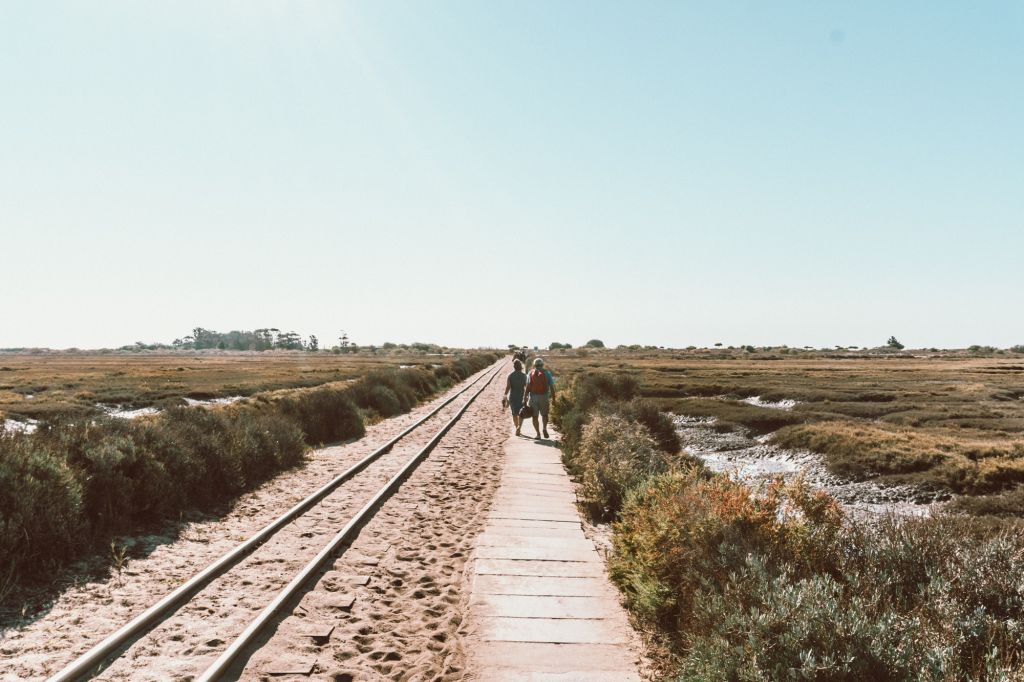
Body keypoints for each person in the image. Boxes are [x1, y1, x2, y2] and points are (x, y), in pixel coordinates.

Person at [525, 357, 556, 439]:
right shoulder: (547, 373)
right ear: (542, 364)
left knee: (535, 416)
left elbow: (528, 387)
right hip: (544, 396)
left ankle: (538, 434)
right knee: (544, 415)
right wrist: (553, 399)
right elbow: (552, 387)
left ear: (534, 365)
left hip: (533, 397)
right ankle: (544, 428)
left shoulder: (530, 373)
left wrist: (524, 397)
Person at [502, 359, 528, 436]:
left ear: (514, 367)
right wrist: (526, 397)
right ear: (520, 367)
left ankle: (517, 427)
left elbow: (508, 387)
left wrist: (505, 396)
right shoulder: (524, 376)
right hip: (521, 397)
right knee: (521, 414)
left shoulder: (510, 376)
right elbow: (526, 387)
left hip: (512, 397)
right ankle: (519, 428)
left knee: (514, 414)